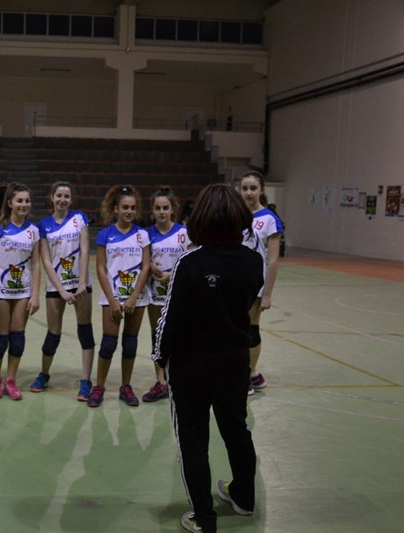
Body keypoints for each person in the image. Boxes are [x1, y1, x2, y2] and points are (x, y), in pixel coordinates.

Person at [153, 183, 263, 533]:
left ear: (199, 218)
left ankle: (204, 518)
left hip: (192, 365)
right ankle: (244, 498)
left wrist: (159, 357)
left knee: (193, 440)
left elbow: (170, 318)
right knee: (237, 429)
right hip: (234, 361)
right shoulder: (253, 261)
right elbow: (246, 305)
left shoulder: (189, 263)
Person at [29, 182, 95, 401]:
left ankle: (85, 380)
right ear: (52, 197)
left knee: (85, 330)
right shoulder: (43, 226)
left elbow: (85, 250)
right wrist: (62, 290)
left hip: (81, 285)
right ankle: (44, 374)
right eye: (59, 195)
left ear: (71, 199)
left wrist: (82, 283)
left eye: (66, 196)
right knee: (53, 333)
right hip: (56, 287)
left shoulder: (79, 218)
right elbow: (46, 261)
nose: (62, 200)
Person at [88, 185, 151, 408]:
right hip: (112, 297)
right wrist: (113, 300)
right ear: (116, 209)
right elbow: (101, 268)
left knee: (130, 344)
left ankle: (126, 387)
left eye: (133, 208)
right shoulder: (105, 235)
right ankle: (99, 387)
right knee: (108, 344)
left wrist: (134, 297)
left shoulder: (142, 235)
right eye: (125, 207)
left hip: (137, 298)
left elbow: (145, 267)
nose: (129, 211)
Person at [0, 182, 41, 400]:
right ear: (9, 203)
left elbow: (36, 264)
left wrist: (35, 294)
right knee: (1, 339)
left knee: (17, 339)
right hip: (0, 292)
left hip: (22, 292)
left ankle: (10, 380)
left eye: (27, 201)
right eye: (19, 201)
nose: (24, 204)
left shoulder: (33, 231)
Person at [142, 186, 189, 403]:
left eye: (165, 208)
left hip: (179, 293)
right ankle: (161, 381)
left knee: (179, 336)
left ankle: (178, 378)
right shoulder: (146, 235)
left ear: (173, 209)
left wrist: (173, 275)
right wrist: (149, 266)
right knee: (157, 335)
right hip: (155, 294)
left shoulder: (183, 233)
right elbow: (141, 262)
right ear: (152, 210)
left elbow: (191, 262)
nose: (162, 212)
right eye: (158, 208)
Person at [240, 171, 283, 395]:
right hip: (235, 284)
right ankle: (253, 375)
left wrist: (267, 293)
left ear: (262, 190)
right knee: (236, 328)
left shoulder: (269, 219)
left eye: (253, 188)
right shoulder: (236, 215)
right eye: (244, 188)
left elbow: (273, 259)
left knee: (250, 328)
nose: (248, 193)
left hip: (255, 285)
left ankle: (248, 375)